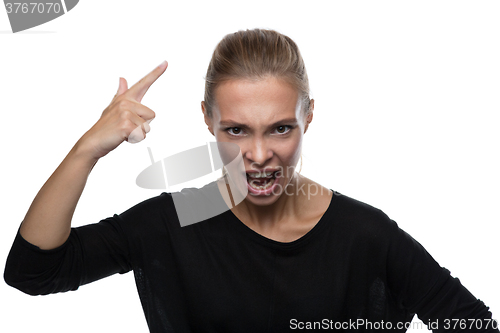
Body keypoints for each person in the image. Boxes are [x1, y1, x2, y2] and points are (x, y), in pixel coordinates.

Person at [4, 28, 498, 333]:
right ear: (207, 120)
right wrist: (88, 149)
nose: (259, 155)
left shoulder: (365, 236)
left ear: (308, 118)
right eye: (236, 130)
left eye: (280, 128)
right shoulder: (173, 222)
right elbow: (33, 272)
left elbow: (470, 323)